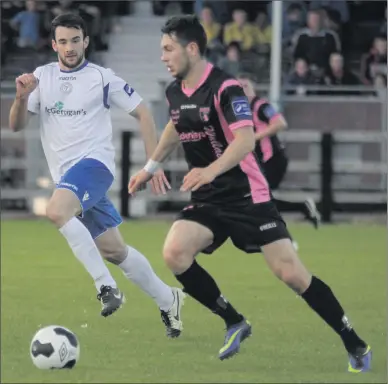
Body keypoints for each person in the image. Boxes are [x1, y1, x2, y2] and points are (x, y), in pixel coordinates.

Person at [128, 15, 371, 371]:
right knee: (175, 253)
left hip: (248, 196)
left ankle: (355, 343)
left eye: (168, 49)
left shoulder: (226, 88)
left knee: (292, 275)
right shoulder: (174, 91)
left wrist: (208, 170)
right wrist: (149, 167)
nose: (163, 56)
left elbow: (244, 141)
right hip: (210, 199)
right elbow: (174, 126)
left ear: (191, 49)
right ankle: (234, 321)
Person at [8, 13, 185, 338]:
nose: (70, 47)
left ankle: (106, 287)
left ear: (86, 41)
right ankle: (169, 298)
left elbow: (143, 112)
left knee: (55, 211)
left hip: (95, 167)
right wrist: (21, 96)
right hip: (69, 181)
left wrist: (152, 163)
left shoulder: (102, 78)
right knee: (115, 251)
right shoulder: (41, 77)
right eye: (63, 41)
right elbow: (16, 125)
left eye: (76, 40)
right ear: (54, 44)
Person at [237, 73, 321, 231]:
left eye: (245, 86)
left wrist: (254, 137)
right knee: (260, 199)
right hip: (262, 162)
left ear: (253, 88)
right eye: (238, 87)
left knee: (259, 198)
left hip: (273, 159)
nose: (242, 89)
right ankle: (302, 209)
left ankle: (273, 231)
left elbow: (280, 123)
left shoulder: (261, 106)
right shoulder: (240, 111)